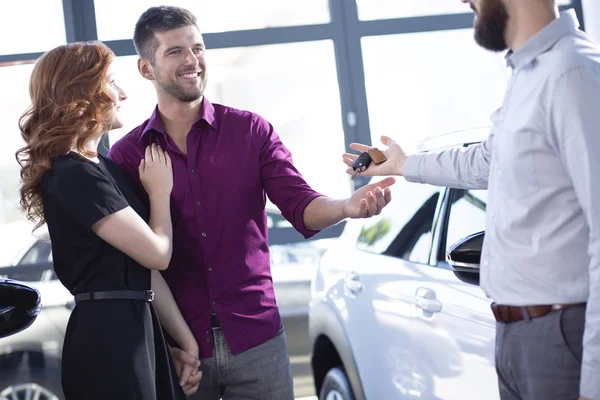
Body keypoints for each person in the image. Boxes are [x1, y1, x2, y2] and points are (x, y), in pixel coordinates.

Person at [106, 5, 396, 399]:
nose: (193, 61)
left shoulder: (250, 131)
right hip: (180, 352)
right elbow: (135, 261)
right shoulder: (127, 155)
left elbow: (301, 203)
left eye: (198, 48)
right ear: (146, 68)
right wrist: (169, 344)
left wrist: (345, 207)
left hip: (257, 339)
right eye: (175, 51)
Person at [343, 1, 600, 399]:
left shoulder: (573, 73)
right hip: (517, 336)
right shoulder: (529, 74)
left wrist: (595, 381)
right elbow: (484, 161)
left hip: (559, 336)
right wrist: (405, 163)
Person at [16, 41, 201, 399]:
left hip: (135, 327)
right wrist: (160, 192)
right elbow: (157, 254)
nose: (123, 94)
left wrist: (184, 342)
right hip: (109, 339)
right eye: (112, 82)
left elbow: (144, 271)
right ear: (82, 92)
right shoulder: (73, 175)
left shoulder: (103, 168)